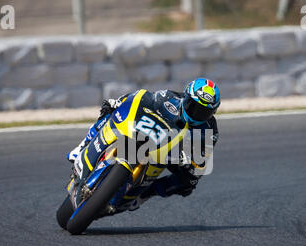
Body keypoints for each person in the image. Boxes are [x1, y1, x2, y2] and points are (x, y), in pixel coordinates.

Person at [67, 78, 221, 211]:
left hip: (173, 155)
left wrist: (191, 163)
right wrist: (120, 102)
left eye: (203, 111)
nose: (196, 113)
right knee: (109, 111)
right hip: (148, 134)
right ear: (186, 98)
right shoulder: (168, 97)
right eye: (193, 106)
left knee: (187, 184)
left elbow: (201, 162)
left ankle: (145, 194)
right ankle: (83, 146)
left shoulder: (209, 131)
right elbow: (142, 99)